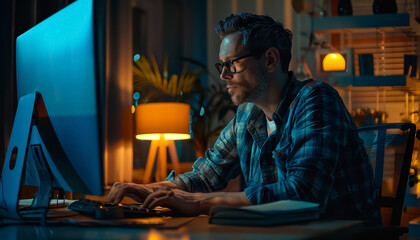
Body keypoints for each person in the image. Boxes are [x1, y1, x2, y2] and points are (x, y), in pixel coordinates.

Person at [106, 12, 381, 225]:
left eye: (232, 64)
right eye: (221, 65)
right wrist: (152, 189)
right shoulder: (247, 114)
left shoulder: (316, 100)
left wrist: (199, 202)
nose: (224, 76)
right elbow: (207, 175)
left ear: (270, 60)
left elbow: (303, 193)